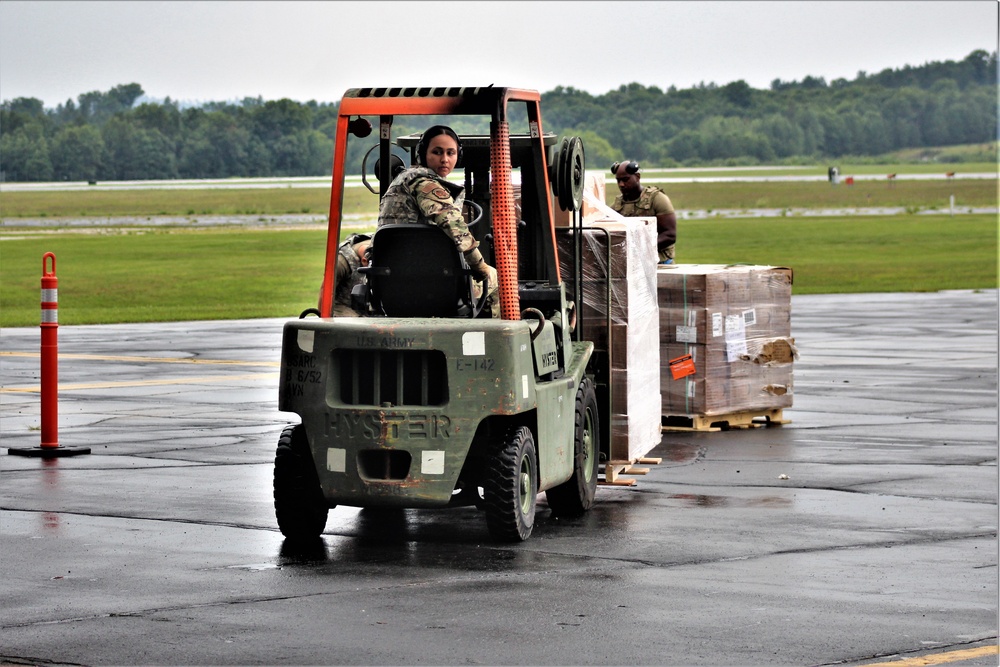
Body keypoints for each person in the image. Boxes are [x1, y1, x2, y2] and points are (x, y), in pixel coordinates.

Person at [378, 125, 500, 317]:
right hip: (429, 282)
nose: (444, 159)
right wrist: (480, 266)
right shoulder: (424, 184)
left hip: (392, 284)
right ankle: (491, 342)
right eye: (437, 152)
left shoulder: (402, 181)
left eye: (450, 153)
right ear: (422, 154)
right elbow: (453, 225)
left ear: (457, 156)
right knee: (498, 281)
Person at [610, 160, 678, 264]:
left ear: (637, 177)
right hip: (634, 264)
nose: (621, 184)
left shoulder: (657, 199)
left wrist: (640, 248)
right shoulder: (617, 205)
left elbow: (669, 235)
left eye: (625, 179)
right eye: (618, 180)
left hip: (660, 263)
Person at [327, 233, 371, 317]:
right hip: (343, 306)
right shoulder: (342, 262)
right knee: (359, 326)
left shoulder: (381, 244)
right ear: (364, 261)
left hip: (369, 306)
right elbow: (325, 291)